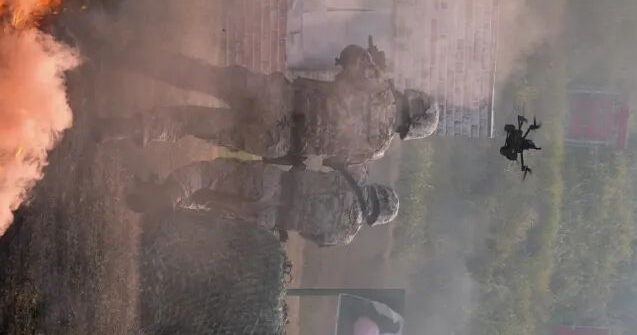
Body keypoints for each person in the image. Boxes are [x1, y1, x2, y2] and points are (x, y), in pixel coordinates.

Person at [99, 41, 439, 169]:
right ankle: (122, 129)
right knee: (191, 122)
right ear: (409, 129)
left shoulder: (378, 83)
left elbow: (349, 54)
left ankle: (135, 55)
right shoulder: (375, 150)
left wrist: (372, 59)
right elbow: (335, 159)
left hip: (276, 97)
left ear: (412, 99)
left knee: (205, 77)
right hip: (276, 140)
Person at [129, 156, 400, 248]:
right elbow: (310, 235)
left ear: (377, 191)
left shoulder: (357, 174)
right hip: (269, 220)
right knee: (209, 201)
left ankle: (165, 196)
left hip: (275, 183)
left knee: (211, 175)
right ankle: (158, 195)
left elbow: (332, 159)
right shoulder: (346, 235)